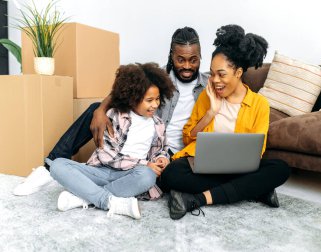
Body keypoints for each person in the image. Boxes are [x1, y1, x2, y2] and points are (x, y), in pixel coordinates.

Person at [13, 27, 208, 196]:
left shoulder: (210, 84)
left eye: (193, 60)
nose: (187, 66)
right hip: (144, 137)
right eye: (180, 59)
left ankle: (89, 191)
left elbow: (235, 83)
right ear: (172, 55)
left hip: (171, 152)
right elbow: (122, 92)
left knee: (161, 178)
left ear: (200, 56)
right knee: (94, 110)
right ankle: (48, 168)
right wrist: (99, 110)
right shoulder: (157, 77)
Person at [160, 24, 291, 220]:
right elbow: (188, 138)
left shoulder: (259, 104)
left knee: (280, 169)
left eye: (221, 74)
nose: (214, 80)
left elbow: (258, 150)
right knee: (170, 175)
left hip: (239, 167)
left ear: (238, 73)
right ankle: (253, 190)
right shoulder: (207, 95)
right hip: (202, 164)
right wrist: (211, 112)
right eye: (212, 73)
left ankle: (198, 199)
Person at [49, 63, 175, 219]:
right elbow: (107, 156)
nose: (155, 104)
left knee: (148, 176)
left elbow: (160, 150)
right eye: (149, 100)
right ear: (133, 98)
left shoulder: (158, 124)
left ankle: (83, 198)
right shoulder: (115, 116)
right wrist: (144, 163)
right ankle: (108, 201)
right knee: (57, 165)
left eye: (157, 99)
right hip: (101, 171)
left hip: (130, 176)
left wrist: (161, 158)